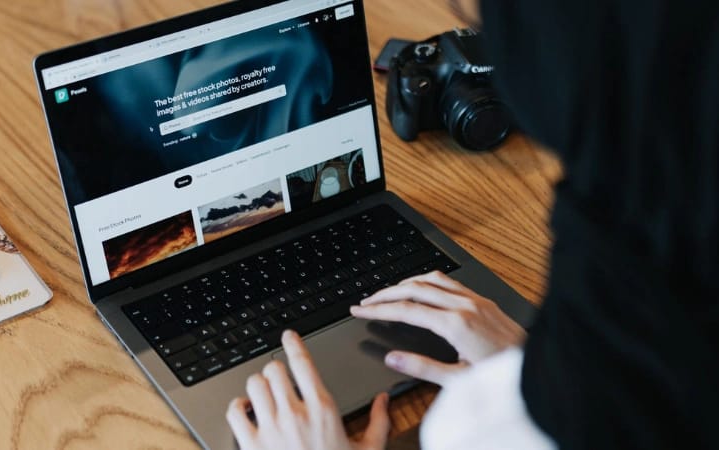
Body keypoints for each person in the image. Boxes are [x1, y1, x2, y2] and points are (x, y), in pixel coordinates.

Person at [226, 0, 719, 448]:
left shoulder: (482, 427)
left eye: (483, 20)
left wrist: (526, 386)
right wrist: (534, 361)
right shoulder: (656, 225)